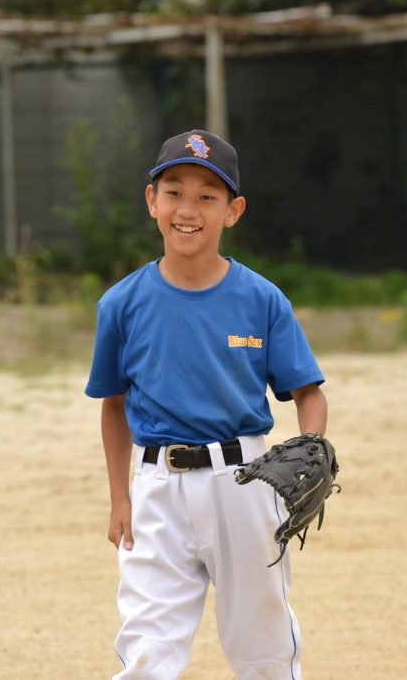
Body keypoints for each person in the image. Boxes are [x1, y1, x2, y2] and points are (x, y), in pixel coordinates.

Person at [85, 129, 328, 680]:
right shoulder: (122, 304)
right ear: (152, 201)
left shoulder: (261, 299)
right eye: (173, 192)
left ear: (232, 211)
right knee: (147, 644)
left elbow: (307, 392)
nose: (188, 209)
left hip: (244, 482)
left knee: (262, 640)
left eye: (207, 196)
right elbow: (113, 405)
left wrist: (313, 447)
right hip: (156, 488)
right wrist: (119, 497)